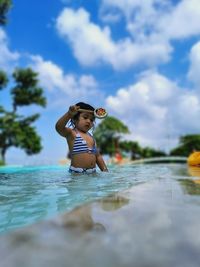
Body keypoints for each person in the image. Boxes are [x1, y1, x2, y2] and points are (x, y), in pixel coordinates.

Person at [55, 102, 108, 174]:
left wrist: (105, 171)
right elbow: (59, 127)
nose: (89, 121)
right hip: (77, 174)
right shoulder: (72, 134)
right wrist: (69, 114)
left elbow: (98, 156)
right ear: (74, 119)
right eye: (85, 117)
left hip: (92, 174)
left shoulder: (91, 138)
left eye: (92, 120)